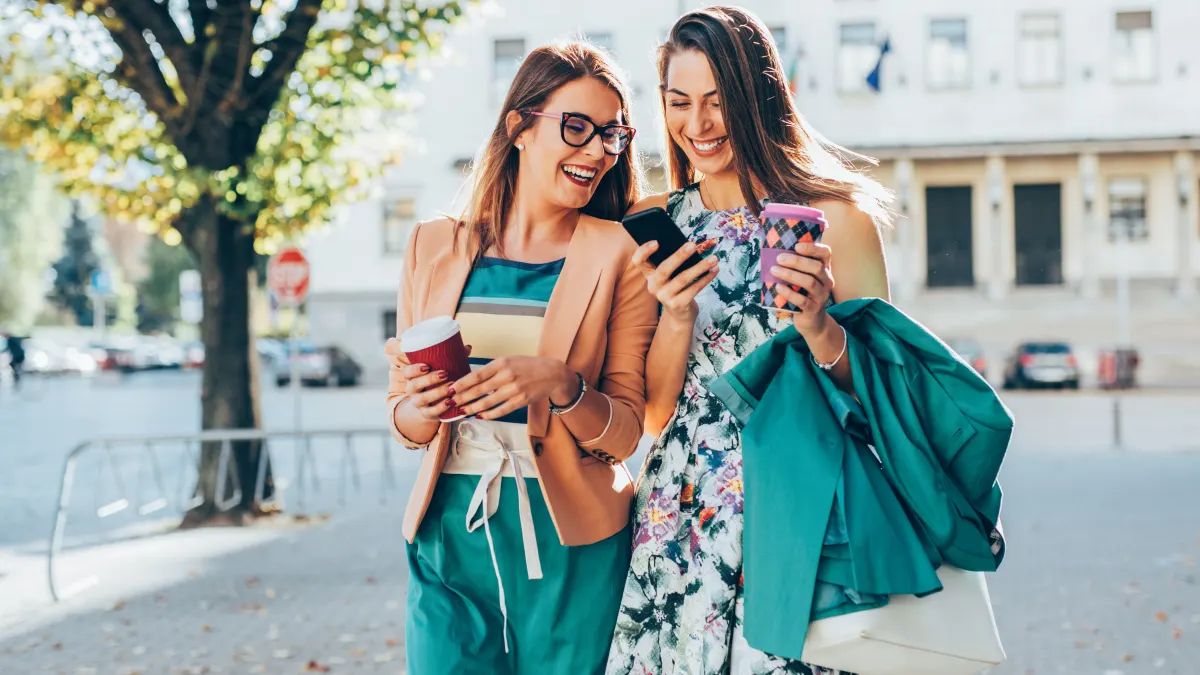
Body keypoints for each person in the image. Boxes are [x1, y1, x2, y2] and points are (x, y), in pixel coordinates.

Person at [606, 7, 894, 675]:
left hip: (801, 497)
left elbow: (882, 393)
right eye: (679, 102)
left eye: (718, 101)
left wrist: (819, 321)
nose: (698, 125)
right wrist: (675, 314)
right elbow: (653, 413)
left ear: (759, 97)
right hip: (684, 510)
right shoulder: (654, 224)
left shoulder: (840, 219)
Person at [384, 41, 659, 675]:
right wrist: (420, 411)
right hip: (450, 529)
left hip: (571, 537)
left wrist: (562, 386)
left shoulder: (620, 254)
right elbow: (403, 417)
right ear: (519, 128)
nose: (597, 151)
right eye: (577, 128)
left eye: (613, 135)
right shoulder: (432, 247)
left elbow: (624, 433)